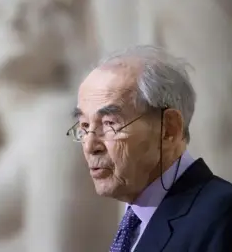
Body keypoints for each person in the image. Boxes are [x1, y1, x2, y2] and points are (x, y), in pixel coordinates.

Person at [67, 45, 232, 252]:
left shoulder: (223, 217)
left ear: (168, 129)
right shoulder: (134, 220)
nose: (90, 145)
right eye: (84, 126)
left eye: (110, 123)